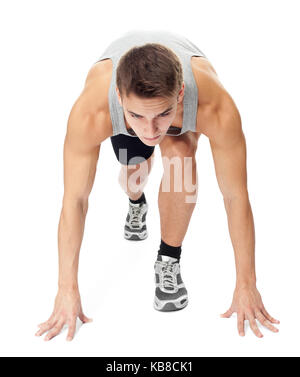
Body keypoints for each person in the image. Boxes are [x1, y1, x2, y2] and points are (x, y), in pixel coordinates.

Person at [35, 30, 279, 341]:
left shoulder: (214, 107)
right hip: (125, 114)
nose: (150, 130)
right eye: (137, 116)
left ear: (180, 95)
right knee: (134, 172)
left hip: (179, 109)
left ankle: (168, 260)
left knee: (180, 155)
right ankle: (137, 202)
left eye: (162, 115)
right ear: (121, 98)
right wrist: (65, 289)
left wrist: (247, 284)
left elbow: (235, 195)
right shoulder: (92, 113)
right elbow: (75, 200)